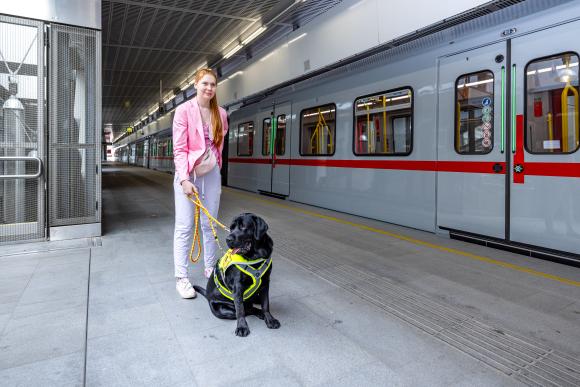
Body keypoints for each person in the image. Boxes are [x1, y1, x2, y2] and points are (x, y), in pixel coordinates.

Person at [172, 68, 228, 299]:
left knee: (209, 224)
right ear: (195, 84)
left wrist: (216, 168)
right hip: (188, 173)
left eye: (213, 84)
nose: (209, 88)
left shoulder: (221, 113)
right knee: (185, 226)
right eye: (205, 83)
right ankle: (182, 277)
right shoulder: (183, 111)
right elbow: (180, 148)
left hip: (212, 173)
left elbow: (219, 145)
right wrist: (184, 179)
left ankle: (211, 269)